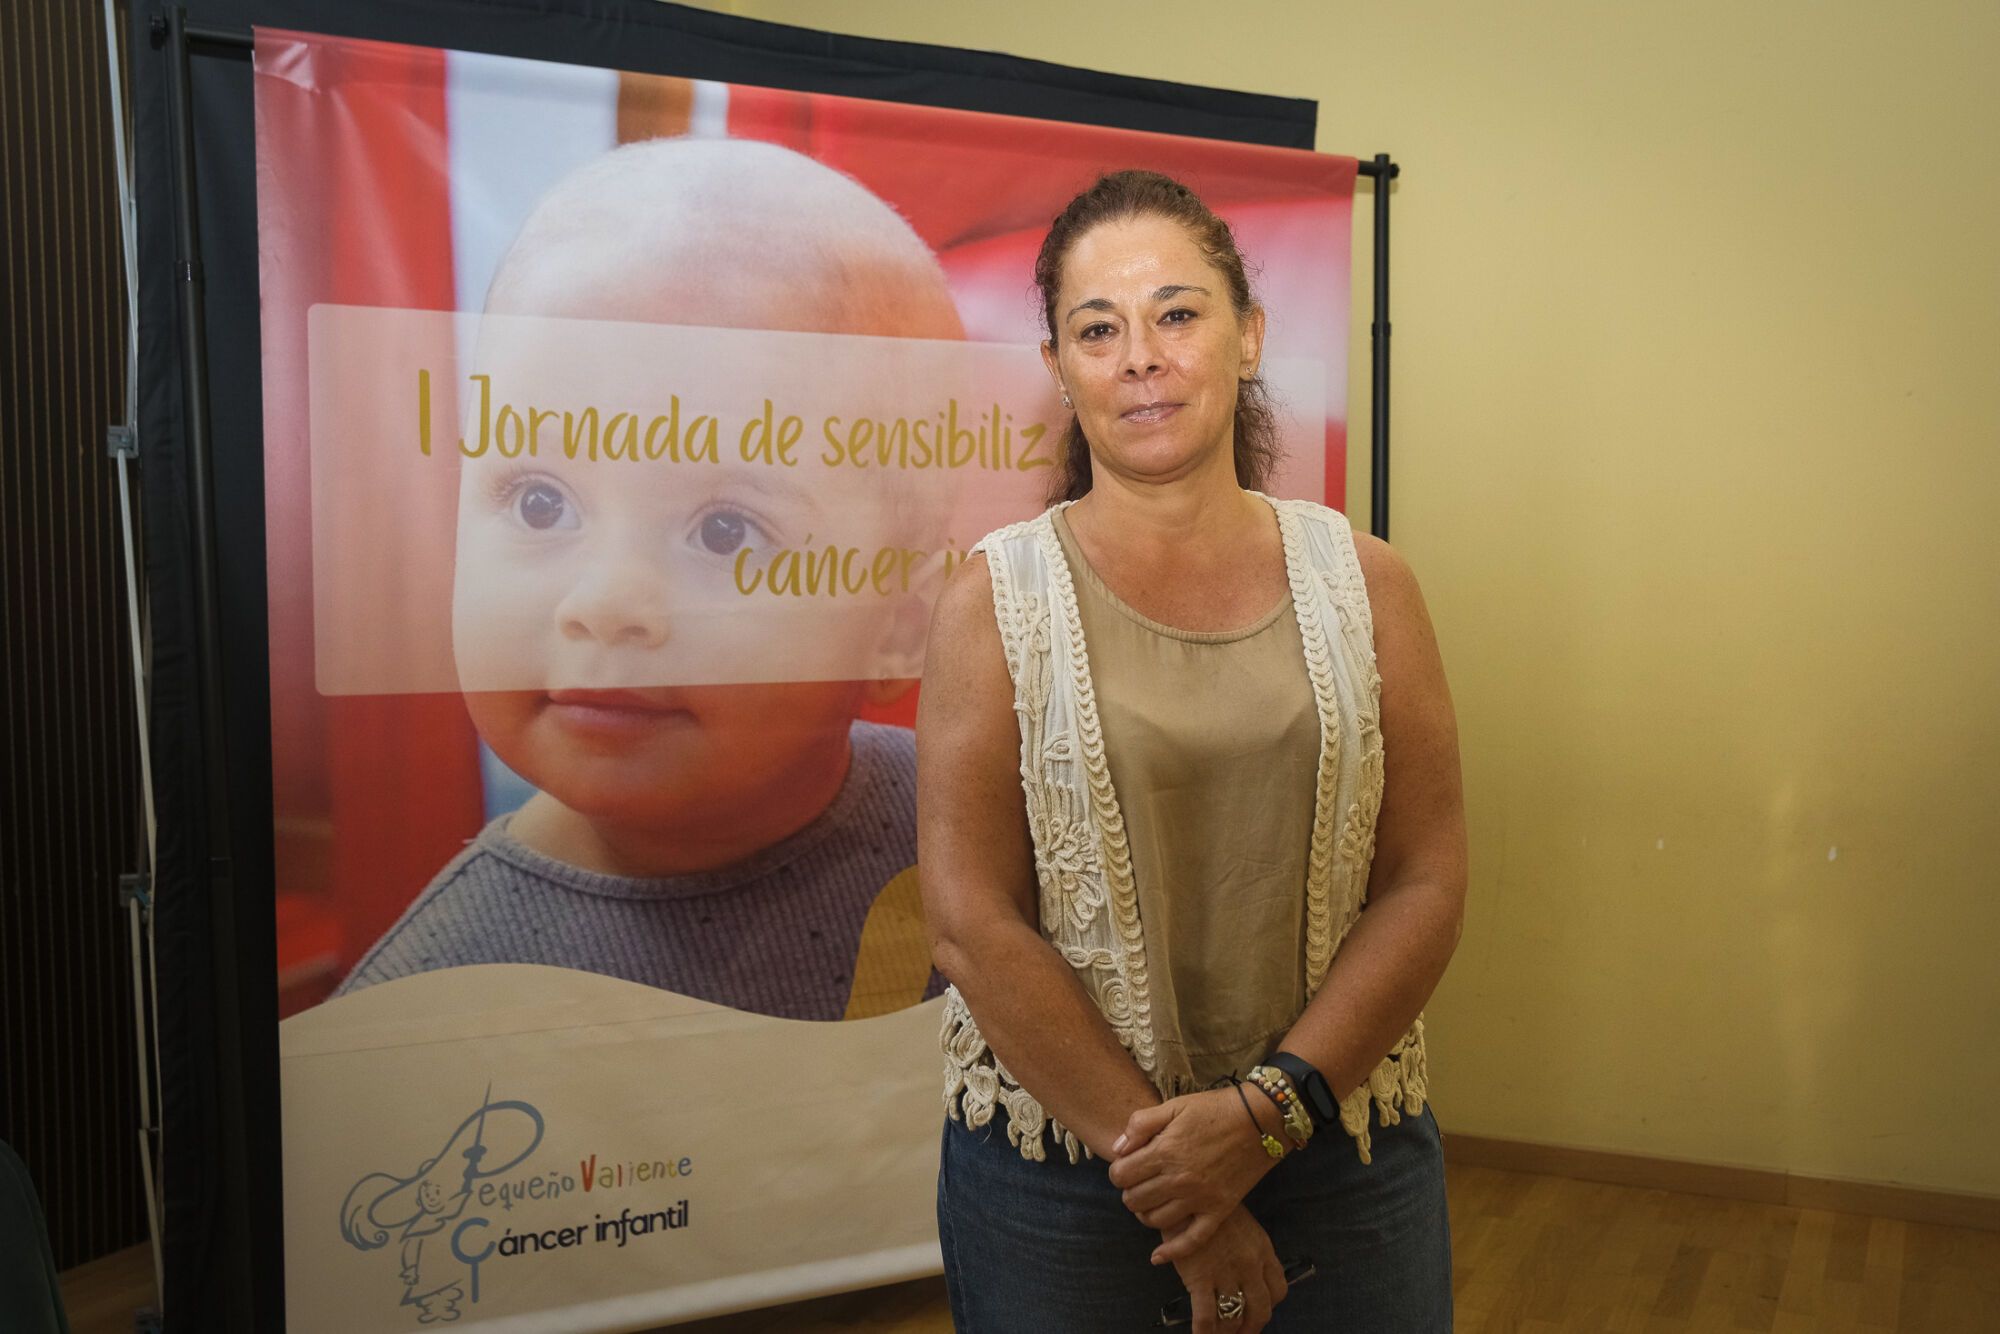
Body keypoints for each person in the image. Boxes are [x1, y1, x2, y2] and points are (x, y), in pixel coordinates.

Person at [918, 170, 1466, 1331]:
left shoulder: (1367, 582)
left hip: (1339, 1143)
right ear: (1060, 368)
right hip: (1064, 1171)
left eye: (1176, 313)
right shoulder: (991, 600)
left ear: (1248, 335)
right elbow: (969, 915)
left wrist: (1262, 1116)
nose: (1140, 356)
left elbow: (1425, 876)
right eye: (1097, 329)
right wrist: (1187, 1183)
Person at [336, 138, 961, 1022]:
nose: (604, 604)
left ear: (901, 626)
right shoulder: (429, 1007)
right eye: (541, 504)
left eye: (724, 529)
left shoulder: (975, 835)